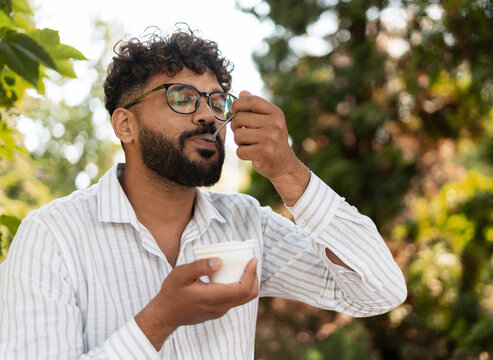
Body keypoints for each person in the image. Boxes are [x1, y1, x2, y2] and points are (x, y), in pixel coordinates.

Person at [0, 27, 407, 359]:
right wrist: (160, 319)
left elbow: (378, 291)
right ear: (126, 126)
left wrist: (287, 171)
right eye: (181, 97)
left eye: (216, 101)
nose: (207, 114)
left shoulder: (246, 224)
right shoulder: (52, 236)